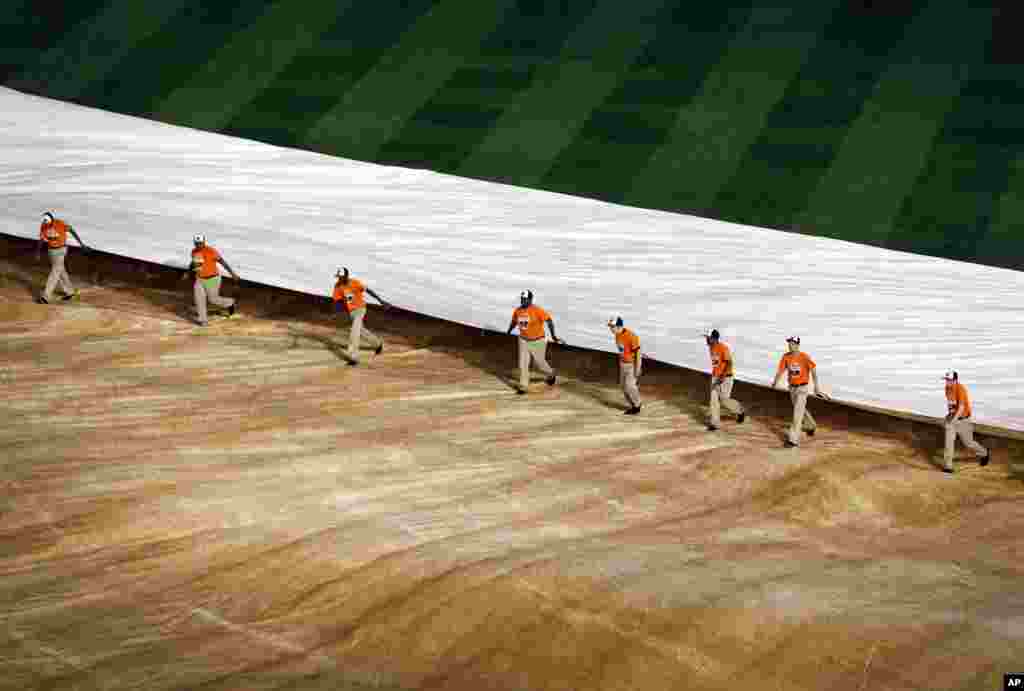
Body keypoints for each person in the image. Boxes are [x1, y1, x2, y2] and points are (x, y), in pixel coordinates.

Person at [770, 336, 828, 447]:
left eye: (792, 344)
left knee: (797, 414)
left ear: (797, 345)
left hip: (802, 388)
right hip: (792, 388)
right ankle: (811, 425)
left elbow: (813, 370)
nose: (790, 346)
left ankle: (793, 440)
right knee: (800, 409)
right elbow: (781, 370)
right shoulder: (786, 357)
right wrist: (775, 382)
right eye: (789, 343)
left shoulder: (804, 357)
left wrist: (816, 387)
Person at [506, 290, 563, 394]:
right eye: (522, 299)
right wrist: (509, 331)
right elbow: (514, 321)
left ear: (530, 300)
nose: (523, 301)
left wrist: (553, 336)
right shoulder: (517, 311)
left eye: (525, 299)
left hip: (538, 341)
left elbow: (549, 320)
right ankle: (523, 385)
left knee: (540, 364)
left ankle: (551, 373)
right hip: (523, 340)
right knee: (523, 364)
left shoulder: (537, 310)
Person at [332, 267, 389, 366]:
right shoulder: (337, 286)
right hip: (351, 312)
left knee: (354, 331)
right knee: (360, 330)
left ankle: (352, 357)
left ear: (346, 276)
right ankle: (377, 344)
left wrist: (380, 301)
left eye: (340, 277)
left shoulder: (354, 282)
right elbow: (337, 300)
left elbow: (368, 290)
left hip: (360, 309)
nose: (339, 279)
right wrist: (337, 311)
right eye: (338, 277)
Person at [941, 371, 989, 473]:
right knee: (948, 443)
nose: (947, 382)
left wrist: (953, 420)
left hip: (964, 421)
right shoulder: (947, 389)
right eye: (946, 380)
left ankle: (984, 453)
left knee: (969, 443)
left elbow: (961, 408)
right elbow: (951, 405)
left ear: (955, 380)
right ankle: (948, 466)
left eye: (949, 380)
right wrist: (948, 416)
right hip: (953, 419)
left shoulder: (960, 389)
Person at [186, 234, 239, 326]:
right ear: (194, 243)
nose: (199, 245)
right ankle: (203, 320)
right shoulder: (194, 252)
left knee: (213, 299)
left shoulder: (211, 251)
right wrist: (187, 272)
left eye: (200, 243)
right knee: (199, 299)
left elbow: (222, 262)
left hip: (212, 279)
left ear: (204, 242)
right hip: (199, 279)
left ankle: (230, 303)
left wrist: (232, 273)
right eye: (197, 243)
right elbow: (193, 263)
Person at [36, 211, 88, 304]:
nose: (46, 224)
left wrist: (81, 244)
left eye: (48, 222)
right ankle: (70, 292)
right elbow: (41, 239)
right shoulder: (44, 225)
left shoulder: (60, 223)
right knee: (60, 270)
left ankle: (46, 296)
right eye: (45, 222)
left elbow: (72, 230)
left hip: (61, 250)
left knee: (55, 271)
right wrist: (38, 252)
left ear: (52, 220)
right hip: (51, 251)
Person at [705, 329, 745, 430]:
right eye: (708, 338)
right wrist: (715, 377)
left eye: (709, 338)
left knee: (724, 400)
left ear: (715, 338)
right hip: (715, 377)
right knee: (713, 400)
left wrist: (722, 377)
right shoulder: (711, 347)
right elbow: (716, 361)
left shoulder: (723, 348)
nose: (708, 340)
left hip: (726, 377)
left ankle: (739, 410)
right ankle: (715, 423)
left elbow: (729, 363)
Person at [608, 317, 642, 414]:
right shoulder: (617, 335)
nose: (610, 329)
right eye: (610, 327)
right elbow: (623, 350)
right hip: (623, 364)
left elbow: (638, 353)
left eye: (612, 327)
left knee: (630, 386)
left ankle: (637, 404)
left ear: (619, 326)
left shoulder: (631, 336)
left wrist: (638, 368)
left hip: (632, 365)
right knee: (623, 387)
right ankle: (633, 405)